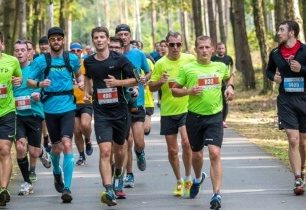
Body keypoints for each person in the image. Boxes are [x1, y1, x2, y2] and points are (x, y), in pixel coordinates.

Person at [171, 35, 234, 209]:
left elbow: (229, 77)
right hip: (194, 117)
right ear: (195, 50)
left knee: (214, 153)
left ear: (212, 49)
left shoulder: (220, 66)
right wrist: (188, 91)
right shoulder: (188, 69)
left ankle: (216, 195)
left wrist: (230, 87)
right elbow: (174, 90)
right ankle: (198, 179)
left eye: (207, 47)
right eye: (201, 48)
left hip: (215, 117)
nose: (204, 50)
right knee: (197, 155)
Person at [27, 26, 83, 203]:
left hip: (68, 107)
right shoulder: (42, 60)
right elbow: (29, 81)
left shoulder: (72, 58)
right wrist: (39, 84)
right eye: (53, 39)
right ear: (49, 42)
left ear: (63, 40)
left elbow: (79, 75)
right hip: (50, 109)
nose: (56, 42)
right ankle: (56, 172)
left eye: (59, 39)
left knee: (67, 144)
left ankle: (67, 188)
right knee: (56, 148)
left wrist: (80, 83)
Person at [83, 26, 137, 206]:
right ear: (93, 40)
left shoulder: (120, 59)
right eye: (96, 37)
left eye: (102, 37)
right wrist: (87, 92)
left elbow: (136, 79)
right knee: (105, 151)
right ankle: (108, 189)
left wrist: (117, 83)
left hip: (120, 111)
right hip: (101, 113)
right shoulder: (89, 62)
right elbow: (89, 78)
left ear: (107, 40)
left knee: (120, 149)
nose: (99, 40)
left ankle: (119, 171)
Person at [149, 31, 195, 197]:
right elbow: (151, 87)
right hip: (168, 111)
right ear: (166, 45)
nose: (175, 47)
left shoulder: (190, 59)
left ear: (182, 45)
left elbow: (200, 72)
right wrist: (160, 81)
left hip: (187, 108)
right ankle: (179, 180)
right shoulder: (160, 63)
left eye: (178, 44)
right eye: (172, 44)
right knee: (172, 151)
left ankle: (189, 177)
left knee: (187, 143)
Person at [266, 20, 306, 196]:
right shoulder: (275, 53)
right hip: (285, 100)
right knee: (293, 139)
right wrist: (273, 77)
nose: (278, 33)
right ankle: (297, 178)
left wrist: (302, 69)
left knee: (304, 142)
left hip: (304, 99)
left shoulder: (305, 50)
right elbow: (268, 71)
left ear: (292, 33)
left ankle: (301, 170)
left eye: (281, 30)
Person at [13, 40, 51, 195]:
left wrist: (38, 93)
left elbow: (46, 86)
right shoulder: (10, 69)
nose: (20, 53)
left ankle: (42, 152)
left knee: (33, 152)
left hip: (34, 113)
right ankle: (27, 182)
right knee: (21, 147)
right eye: (17, 50)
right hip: (16, 114)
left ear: (29, 52)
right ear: (14, 53)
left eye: (23, 50)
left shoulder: (35, 69)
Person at [115, 24, 150, 187]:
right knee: (127, 141)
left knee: (138, 141)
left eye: (126, 34)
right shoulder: (112, 56)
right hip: (120, 103)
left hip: (137, 102)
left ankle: (140, 152)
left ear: (130, 36)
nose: (123, 37)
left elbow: (148, 71)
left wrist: (145, 78)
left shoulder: (138, 54)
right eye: (120, 34)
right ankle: (129, 174)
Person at [0, 31, 22, 206]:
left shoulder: (12, 61)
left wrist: (17, 81)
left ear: (1, 44)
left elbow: (19, 78)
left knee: (4, 149)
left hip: (7, 110)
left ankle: (3, 189)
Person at [70, 42, 93, 166]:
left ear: (81, 52)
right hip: (71, 102)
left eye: (77, 51)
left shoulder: (87, 64)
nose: (75, 53)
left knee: (85, 125)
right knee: (77, 131)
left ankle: (88, 139)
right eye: (72, 51)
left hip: (85, 100)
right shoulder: (66, 65)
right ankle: (81, 155)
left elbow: (93, 80)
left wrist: (87, 86)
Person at [211, 42, 234, 128]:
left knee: (225, 102)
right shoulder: (212, 58)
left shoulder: (229, 58)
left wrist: (230, 83)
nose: (221, 50)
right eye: (219, 48)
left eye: (222, 48)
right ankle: (217, 119)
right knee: (216, 102)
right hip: (215, 83)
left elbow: (232, 69)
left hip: (225, 83)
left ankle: (223, 121)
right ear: (216, 49)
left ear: (225, 49)